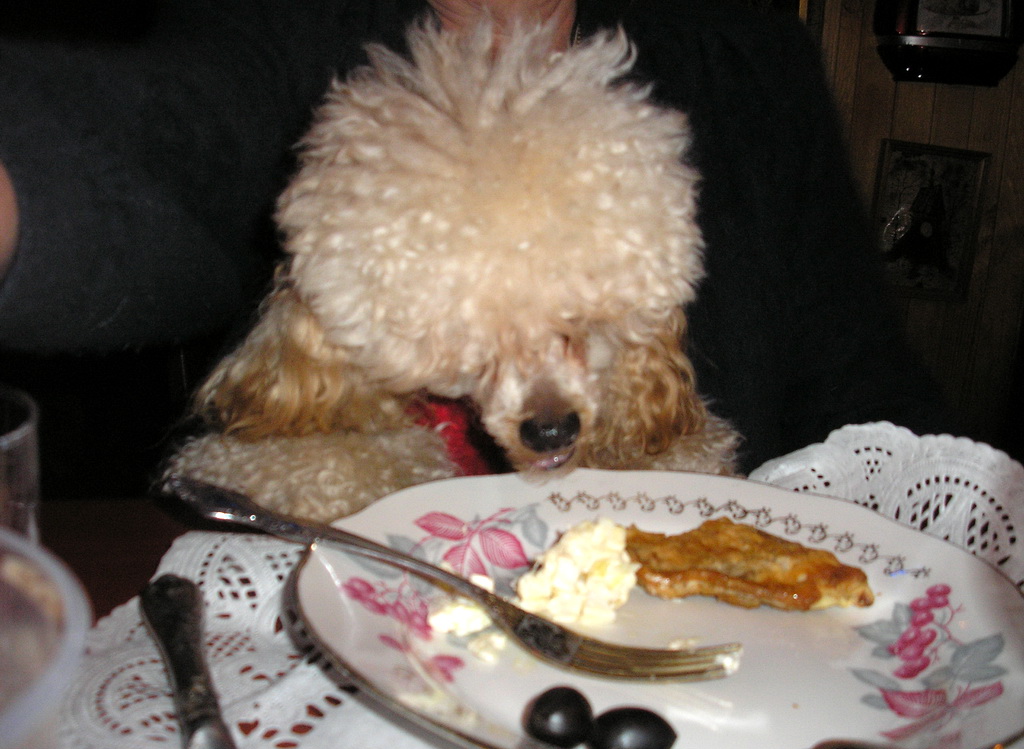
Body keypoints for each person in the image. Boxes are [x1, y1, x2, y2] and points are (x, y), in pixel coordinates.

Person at [0, 0, 954, 476]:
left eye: (574, 327)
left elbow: (867, 389)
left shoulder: (751, 51)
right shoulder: (275, 33)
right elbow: (155, 149)